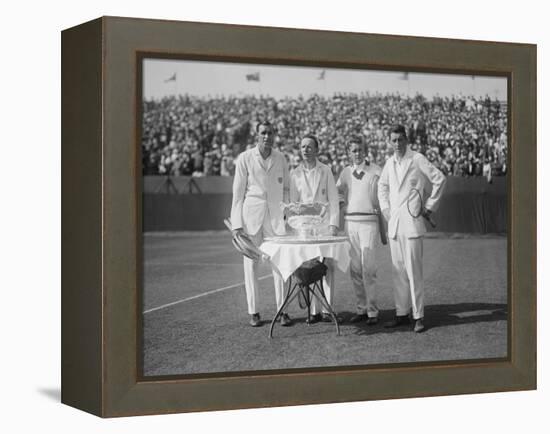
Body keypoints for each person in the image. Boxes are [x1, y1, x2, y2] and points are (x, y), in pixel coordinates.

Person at [378, 124, 446, 333]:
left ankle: (418, 316)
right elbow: (382, 187)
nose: (397, 144)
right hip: (395, 226)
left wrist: (429, 207)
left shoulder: (417, 159)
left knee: (414, 272)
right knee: (398, 271)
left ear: (406, 140)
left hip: (413, 225)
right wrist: (387, 210)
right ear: (389, 142)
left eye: (400, 139)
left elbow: (440, 179)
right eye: (394, 140)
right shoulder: (389, 162)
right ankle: (401, 314)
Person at [230, 121, 293, 327]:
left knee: (280, 266)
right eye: (263, 133)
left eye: (270, 133)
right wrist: (237, 224)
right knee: (251, 266)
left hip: (275, 219)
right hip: (251, 218)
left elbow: (286, 190)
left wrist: (286, 213)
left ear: (274, 135)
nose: (267, 136)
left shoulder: (281, 158)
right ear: (257, 135)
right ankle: (254, 312)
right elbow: (238, 194)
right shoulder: (245, 158)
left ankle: (282, 311)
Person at [289, 134, 339, 323]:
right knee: (309, 268)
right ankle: (314, 311)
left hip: (325, 226)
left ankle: (327, 310)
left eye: (309, 146)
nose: (305, 150)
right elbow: (293, 205)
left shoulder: (325, 170)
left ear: (317, 150)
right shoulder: (294, 174)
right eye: (302, 147)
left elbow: (334, 199)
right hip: (305, 230)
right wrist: (296, 225)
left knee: (328, 267)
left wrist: (334, 224)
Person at [336, 136, 382, 325]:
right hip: (350, 223)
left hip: (369, 223)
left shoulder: (376, 170)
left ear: (365, 151)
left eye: (360, 150)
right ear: (349, 152)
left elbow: (384, 192)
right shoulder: (346, 172)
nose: (357, 153)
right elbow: (338, 191)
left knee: (368, 268)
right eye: (354, 150)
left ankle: (372, 311)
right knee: (355, 269)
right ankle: (361, 309)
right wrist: (340, 202)